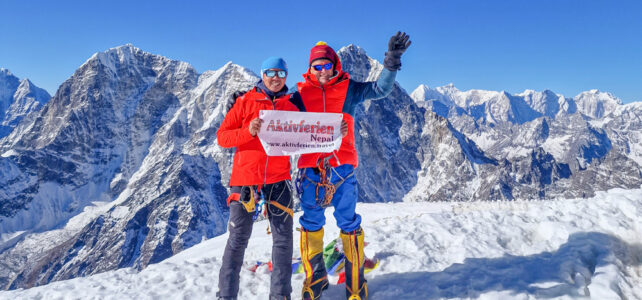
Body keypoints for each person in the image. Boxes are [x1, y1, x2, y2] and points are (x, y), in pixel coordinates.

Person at [291, 32, 411, 300]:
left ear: (335, 65)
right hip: (311, 169)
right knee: (311, 222)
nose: (322, 71)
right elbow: (275, 112)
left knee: (348, 222)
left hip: (341, 167)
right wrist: (245, 102)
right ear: (310, 68)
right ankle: (315, 278)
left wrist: (391, 62)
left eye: (326, 65)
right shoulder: (299, 93)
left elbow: (381, 89)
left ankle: (355, 283)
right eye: (316, 66)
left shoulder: (348, 88)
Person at [216, 57, 298, 300]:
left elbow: (308, 135)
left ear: (286, 77)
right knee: (237, 240)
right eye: (271, 72)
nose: (276, 78)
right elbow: (222, 137)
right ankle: (226, 296)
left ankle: (280, 295)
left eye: (281, 73)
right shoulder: (244, 102)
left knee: (283, 240)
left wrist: (336, 132)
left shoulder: (290, 107)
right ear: (263, 75)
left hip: (279, 178)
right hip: (245, 179)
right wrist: (247, 132)